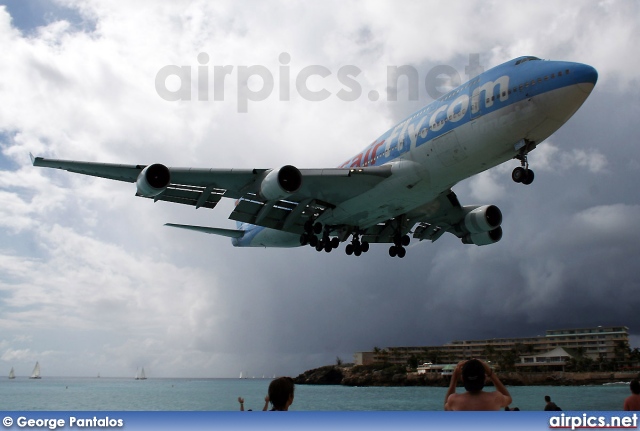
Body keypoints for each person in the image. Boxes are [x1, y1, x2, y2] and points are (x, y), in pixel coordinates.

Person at [444, 359, 512, 411]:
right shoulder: (496, 398)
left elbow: (446, 409)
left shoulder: (453, 400)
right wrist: (491, 374)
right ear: (485, 378)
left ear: (462, 379)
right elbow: (508, 399)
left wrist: (454, 379)